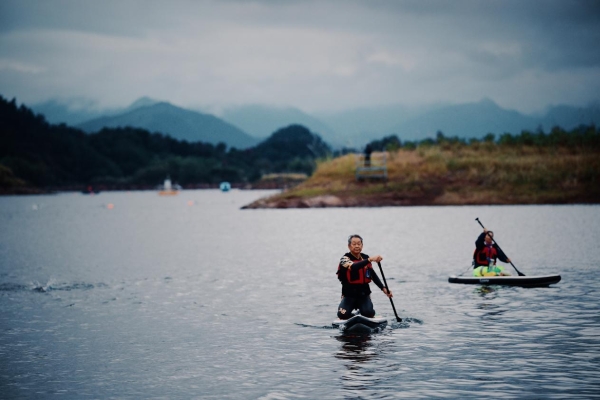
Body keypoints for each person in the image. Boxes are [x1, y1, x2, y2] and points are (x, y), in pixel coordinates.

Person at [336, 234, 393, 319]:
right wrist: (370, 259)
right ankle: (353, 314)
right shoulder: (344, 259)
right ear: (349, 246)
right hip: (348, 295)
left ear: (362, 246)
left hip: (363, 294)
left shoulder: (365, 258)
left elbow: (372, 275)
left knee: (369, 313)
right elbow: (354, 267)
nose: (357, 246)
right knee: (342, 315)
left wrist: (383, 288)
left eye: (359, 244)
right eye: (354, 244)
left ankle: (364, 310)